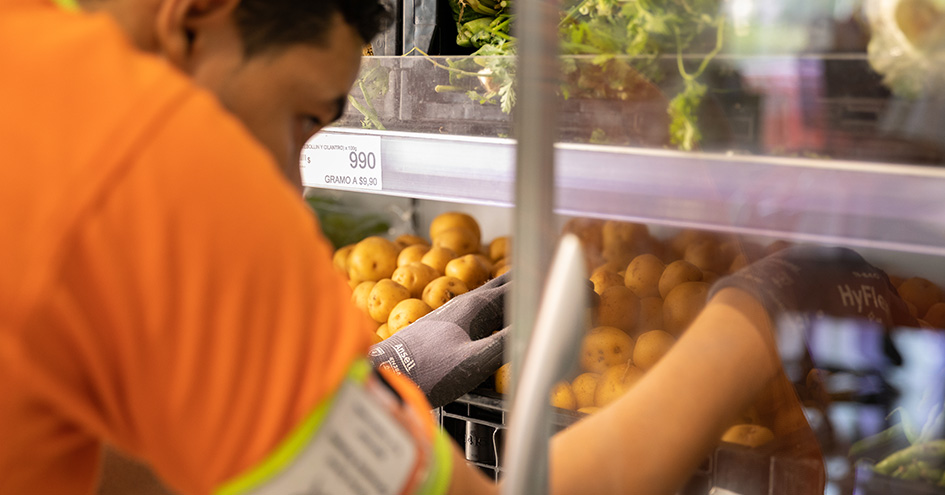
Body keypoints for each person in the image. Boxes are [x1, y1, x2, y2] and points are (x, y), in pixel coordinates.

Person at [0, 1, 918, 494]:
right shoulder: (159, 165)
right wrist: (750, 320)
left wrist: (349, 404)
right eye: (300, 118)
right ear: (195, 14)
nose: (289, 184)